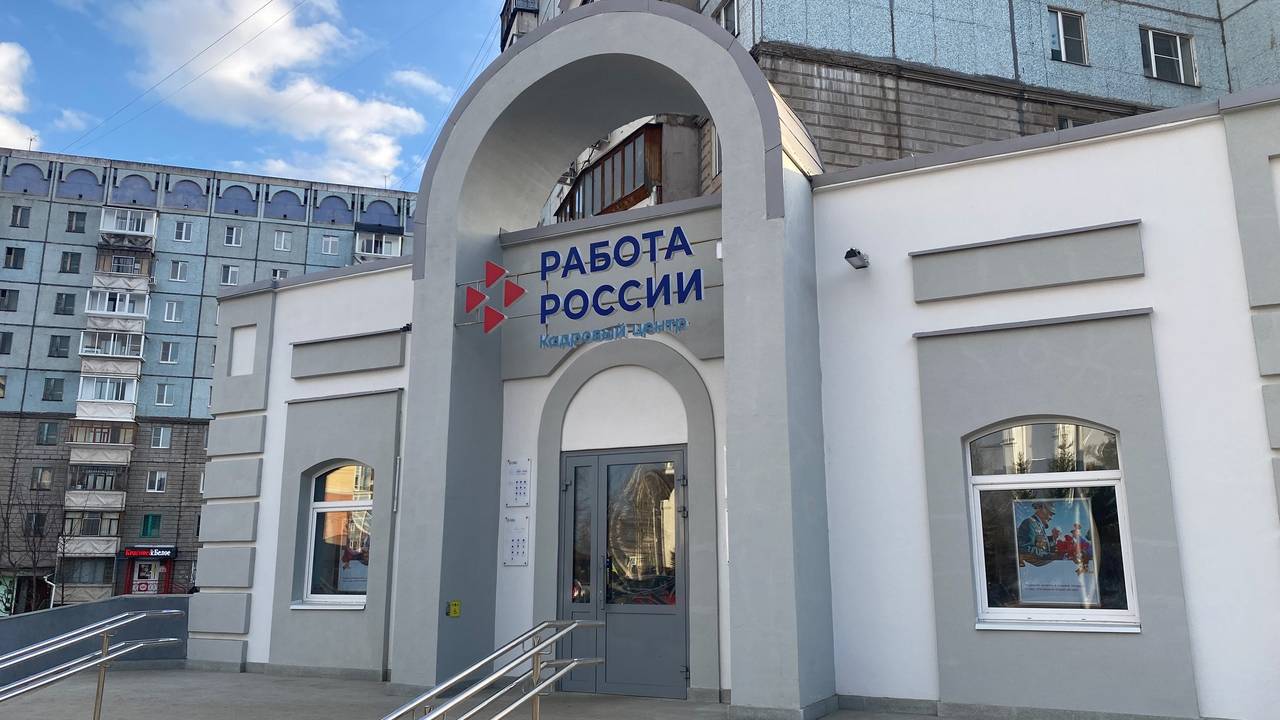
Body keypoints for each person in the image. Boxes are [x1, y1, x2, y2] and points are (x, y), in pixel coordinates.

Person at [1017, 501, 1058, 567]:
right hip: (1032, 568)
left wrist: (1053, 538)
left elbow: (1041, 544)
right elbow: (1025, 548)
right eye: (1050, 514)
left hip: (1040, 567)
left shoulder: (1036, 524)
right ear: (1042, 509)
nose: (1051, 518)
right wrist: (1049, 555)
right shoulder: (1029, 523)